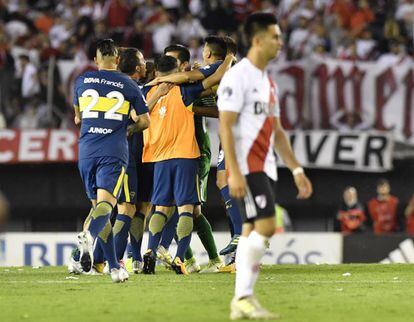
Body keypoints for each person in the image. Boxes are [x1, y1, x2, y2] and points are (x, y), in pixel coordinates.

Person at [217, 12, 312, 319]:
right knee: (267, 226)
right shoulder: (237, 76)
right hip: (247, 166)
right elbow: (226, 127)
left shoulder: (268, 82)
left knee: (249, 230)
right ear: (257, 40)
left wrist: (297, 170)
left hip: (266, 167)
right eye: (275, 36)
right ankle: (243, 296)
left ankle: (241, 300)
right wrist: (234, 170)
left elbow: (279, 131)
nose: (280, 42)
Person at [152, 39, 235, 273]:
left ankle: (175, 253)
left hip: (194, 150)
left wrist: (192, 108)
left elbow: (220, 110)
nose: (169, 64)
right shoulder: (168, 87)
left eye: (173, 60)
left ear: (185, 64)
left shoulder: (194, 85)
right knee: (188, 210)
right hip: (168, 151)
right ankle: (196, 259)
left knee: (185, 207)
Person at [73, 39, 150, 283]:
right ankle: (88, 235)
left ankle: (115, 268)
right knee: (107, 206)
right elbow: (145, 121)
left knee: (99, 209)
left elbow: (78, 119)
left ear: (96, 60)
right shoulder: (128, 84)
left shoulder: (81, 81)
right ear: (117, 60)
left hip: (86, 151)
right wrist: (128, 128)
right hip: (113, 151)